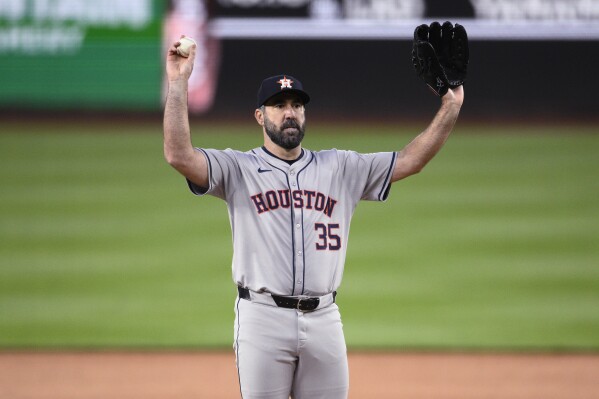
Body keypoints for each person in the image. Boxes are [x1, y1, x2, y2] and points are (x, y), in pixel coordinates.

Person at [163, 23, 466, 399]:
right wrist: (178, 83)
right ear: (260, 116)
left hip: (324, 320)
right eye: (278, 106)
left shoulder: (340, 167)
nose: (289, 113)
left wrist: (451, 104)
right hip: (262, 319)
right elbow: (179, 155)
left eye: (296, 105)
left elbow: (411, 160)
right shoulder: (237, 169)